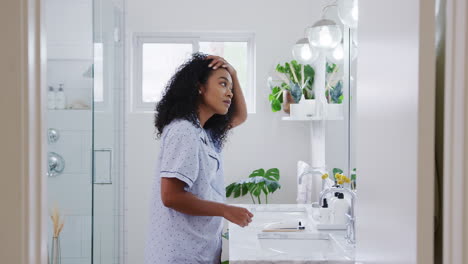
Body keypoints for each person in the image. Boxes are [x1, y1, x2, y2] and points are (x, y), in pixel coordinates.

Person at [144, 52, 254, 264]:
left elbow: (240, 116)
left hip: (199, 250)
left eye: (230, 88)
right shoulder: (184, 131)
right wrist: (225, 210)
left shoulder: (203, 132)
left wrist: (233, 73)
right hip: (179, 254)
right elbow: (171, 196)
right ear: (199, 87)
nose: (230, 93)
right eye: (223, 84)